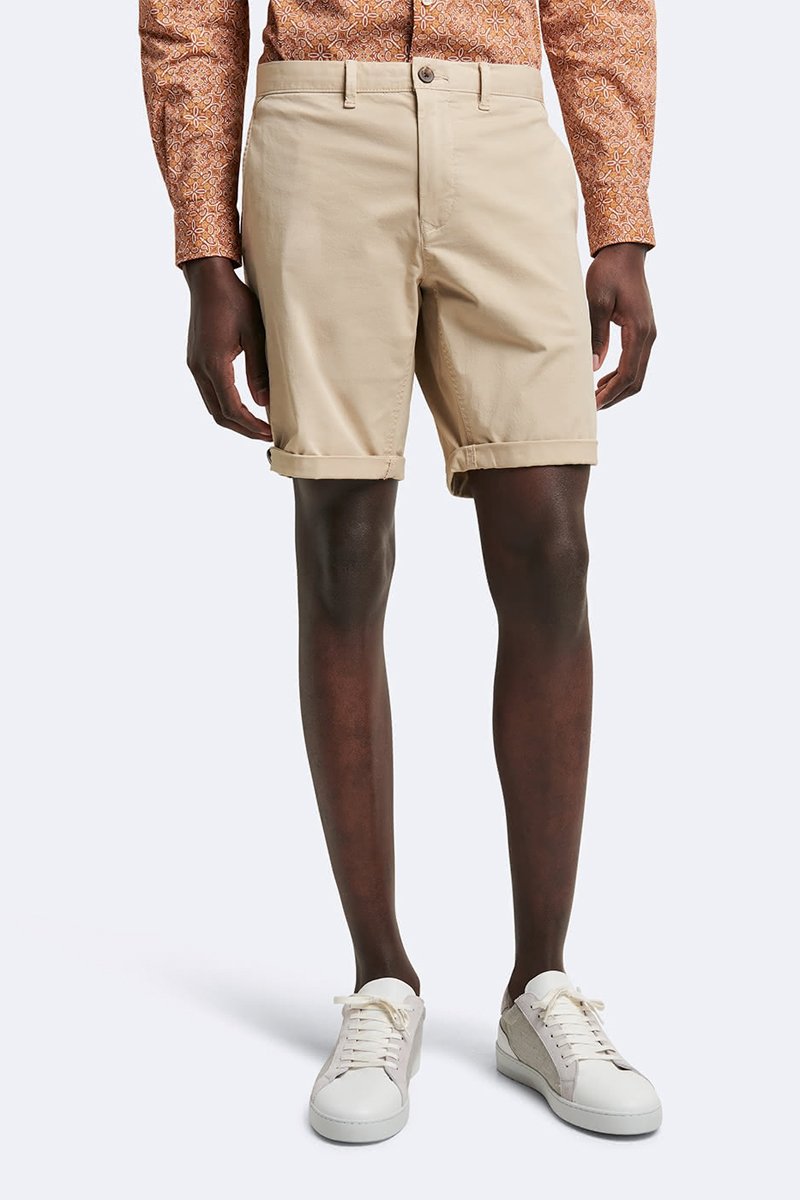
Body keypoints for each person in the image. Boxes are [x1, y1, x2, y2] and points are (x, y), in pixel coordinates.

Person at [139, 0, 661, 1143]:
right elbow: (189, 13)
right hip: (317, 140)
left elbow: (601, 7)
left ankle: (539, 986)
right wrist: (205, 250)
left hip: (502, 132)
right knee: (341, 551)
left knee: (550, 548)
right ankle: (380, 981)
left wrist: (618, 219)